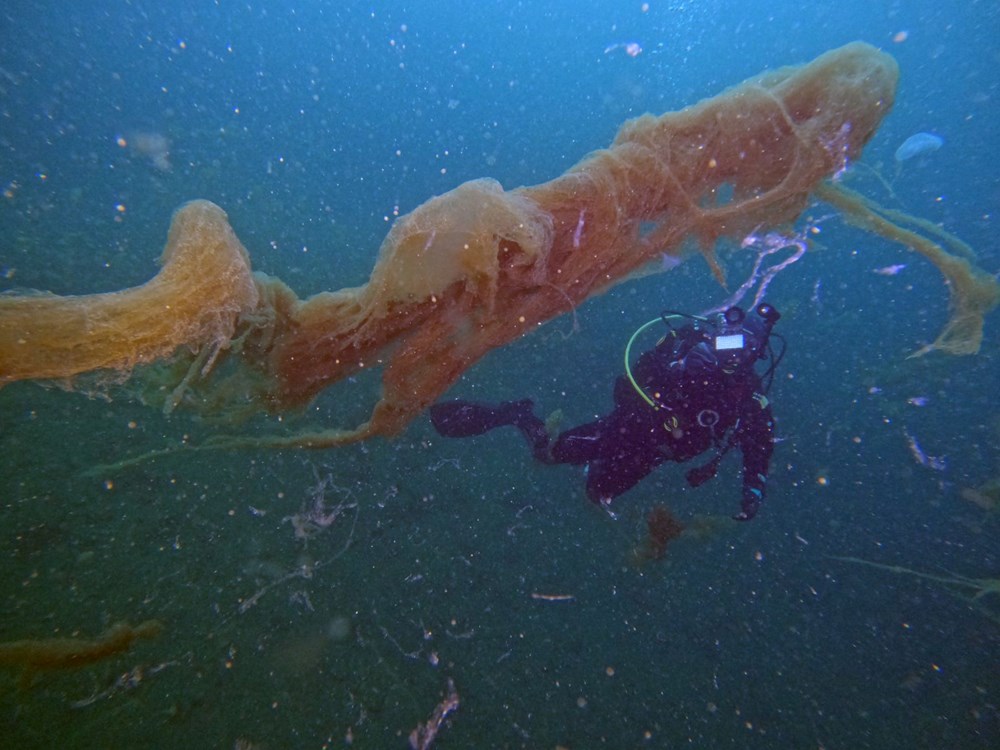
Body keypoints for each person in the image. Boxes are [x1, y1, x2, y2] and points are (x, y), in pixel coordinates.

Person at [430, 303, 782, 521]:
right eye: (728, 343)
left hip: (653, 456)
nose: (732, 355)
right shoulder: (685, 348)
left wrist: (754, 488)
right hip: (623, 430)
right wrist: (679, 366)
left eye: (744, 350)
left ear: (757, 355)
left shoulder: (748, 396)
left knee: (597, 493)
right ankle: (515, 414)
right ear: (720, 332)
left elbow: (759, 444)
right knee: (547, 453)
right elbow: (630, 380)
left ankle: (589, 472)